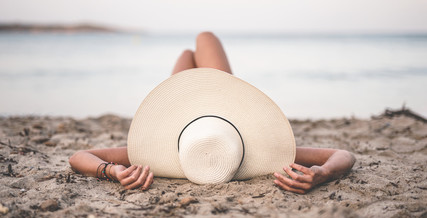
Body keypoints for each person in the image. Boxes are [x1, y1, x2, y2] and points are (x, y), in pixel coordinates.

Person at [69, 32, 356, 194]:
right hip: (221, 114)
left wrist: (112, 171)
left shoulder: (148, 156)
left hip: (182, 117)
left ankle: (191, 63)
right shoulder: (266, 150)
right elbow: (343, 155)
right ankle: (200, 67)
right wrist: (321, 173)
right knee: (204, 37)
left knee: (187, 55)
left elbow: (78, 157)